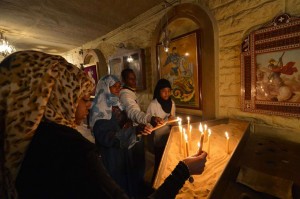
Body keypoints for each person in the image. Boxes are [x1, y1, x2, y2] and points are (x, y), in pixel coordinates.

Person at [0, 50, 207, 199]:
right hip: (114, 160)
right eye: (81, 98)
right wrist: (184, 170)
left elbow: (129, 117)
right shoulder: (72, 150)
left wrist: (137, 126)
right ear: (56, 97)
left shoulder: (28, 146)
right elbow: (108, 137)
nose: (88, 105)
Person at [89, 74, 152, 198]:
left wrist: (132, 126)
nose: (118, 89)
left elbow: (125, 123)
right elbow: (107, 137)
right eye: (114, 87)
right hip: (112, 158)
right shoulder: (99, 110)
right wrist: (133, 131)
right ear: (105, 88)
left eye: (119, 86)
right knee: (117, 188)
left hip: (124, 155)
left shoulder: (118, 106)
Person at [147, 78, 176, 184]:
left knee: (169, 165)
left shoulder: (172, 103)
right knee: (159, 165)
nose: (166, 93)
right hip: (159, 140)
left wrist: (173, 122)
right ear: (158, 91)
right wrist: (166, 120)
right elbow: (149, 124)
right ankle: (154, 186)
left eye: (168, 91)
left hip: (169, 138)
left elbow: (173, 119)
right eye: (164, 91)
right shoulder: (153, 105)